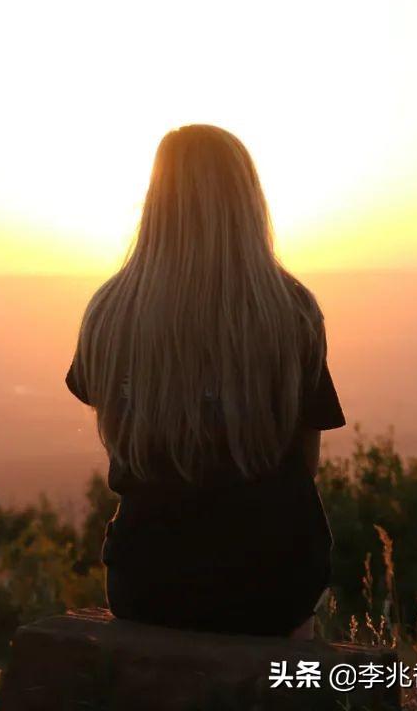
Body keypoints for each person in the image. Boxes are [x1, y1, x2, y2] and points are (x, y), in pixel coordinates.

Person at [65, 124, 345, 638]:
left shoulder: (109, 312)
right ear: (248, 202)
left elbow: (119, 437)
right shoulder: (293, 311)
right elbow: (305, 465)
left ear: (155, 201)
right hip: (273, 581)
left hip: (148, 581)